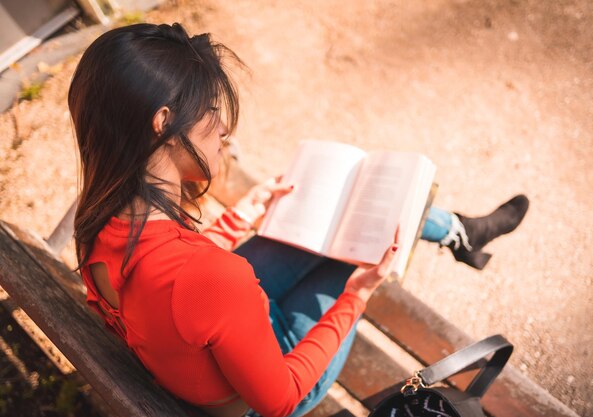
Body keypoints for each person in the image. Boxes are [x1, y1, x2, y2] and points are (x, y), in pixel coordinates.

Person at [69, 23, 527, 417]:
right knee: (360, 245)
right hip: (271, 376)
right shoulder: (209, 275)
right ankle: (458, 233)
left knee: (333, 215)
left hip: (213, 339)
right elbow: (281, 399)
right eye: (209, 110)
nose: (223, 128)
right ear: (163, 123)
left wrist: (239, 219)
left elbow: (170, 284)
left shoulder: (98, 220)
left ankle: (456, 231)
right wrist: (358, 297)